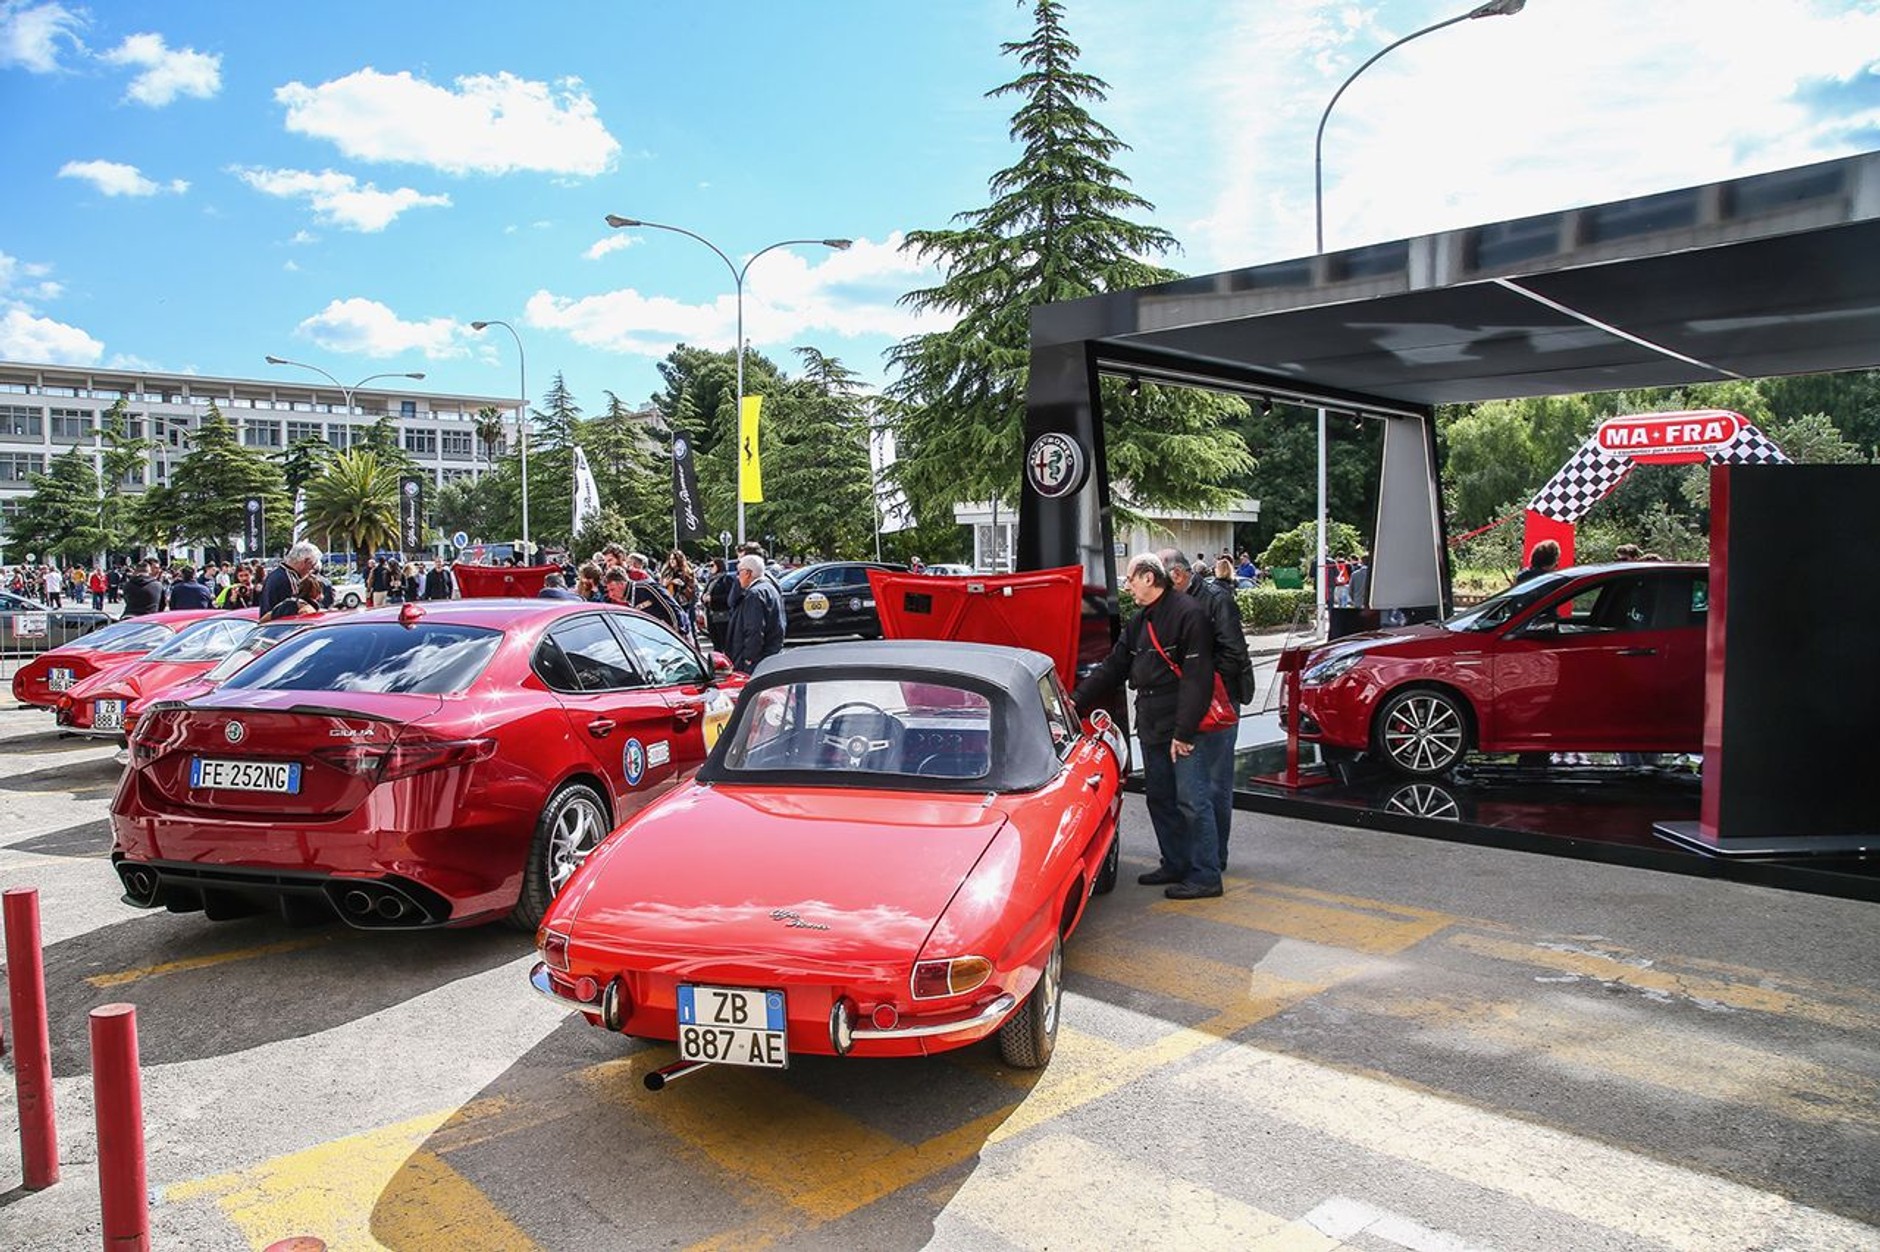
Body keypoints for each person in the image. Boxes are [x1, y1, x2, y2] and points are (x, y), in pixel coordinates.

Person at [1071, 553, 1221, 900]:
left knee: (1192, 801)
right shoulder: (1142, 620)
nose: (1127, 586)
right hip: (1152, 720)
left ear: (1149, 578)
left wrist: (1184, 732)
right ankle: (1176, 863)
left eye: (1131, 579)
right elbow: (1113, 667)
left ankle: (1205, 875)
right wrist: (1075, 699)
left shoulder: (1189, 613)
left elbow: (1198, 679)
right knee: (1160, 797)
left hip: (1181, 722)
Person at [1161, 548, 1252, 874]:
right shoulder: (1181, 599)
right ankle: (1201, 856)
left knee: (1214, 785)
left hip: (1219, 703)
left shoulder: (1215, 599)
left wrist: (1200, 682)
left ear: (1178, 575)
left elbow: (1234, 653)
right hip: (1196, 701)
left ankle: (1214, 858)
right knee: (1194, 787)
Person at [724, 552, 785, 674]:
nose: (737, 576)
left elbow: (754, 630)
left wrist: (749, 659)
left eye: (739, 572)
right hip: (769, 654)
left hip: (754, 662)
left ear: (747, 573)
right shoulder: (770, 588)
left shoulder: (754, 594)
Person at [259, 541, 323, 618]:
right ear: (305, 561)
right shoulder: (290, 579)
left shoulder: (275, 574)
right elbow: (292, 610)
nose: (311, 570)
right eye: (312, 566)